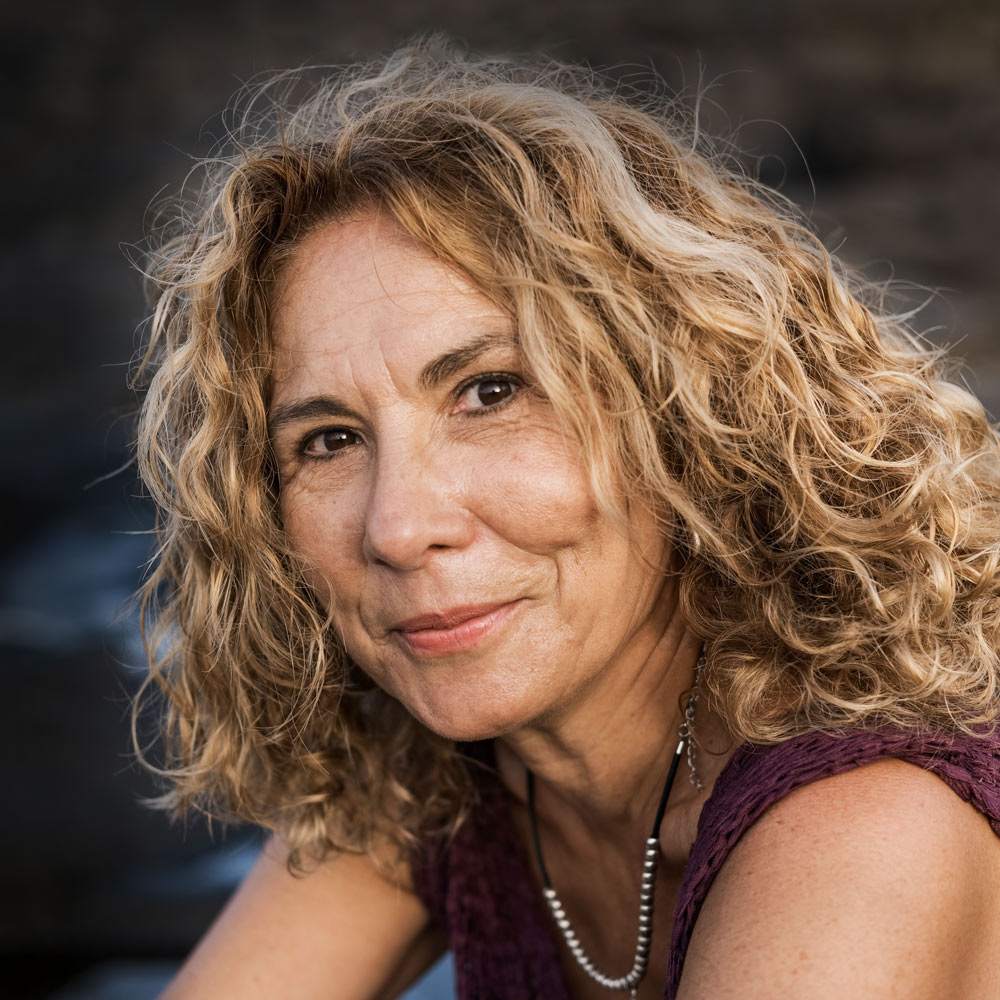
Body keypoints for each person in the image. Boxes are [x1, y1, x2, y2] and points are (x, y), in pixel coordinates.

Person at [133, 39, 1000, 999]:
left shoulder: (867, 826)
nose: (398, 528)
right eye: (329, 441)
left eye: (491, 391)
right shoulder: (438, 780)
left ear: (694, 414)